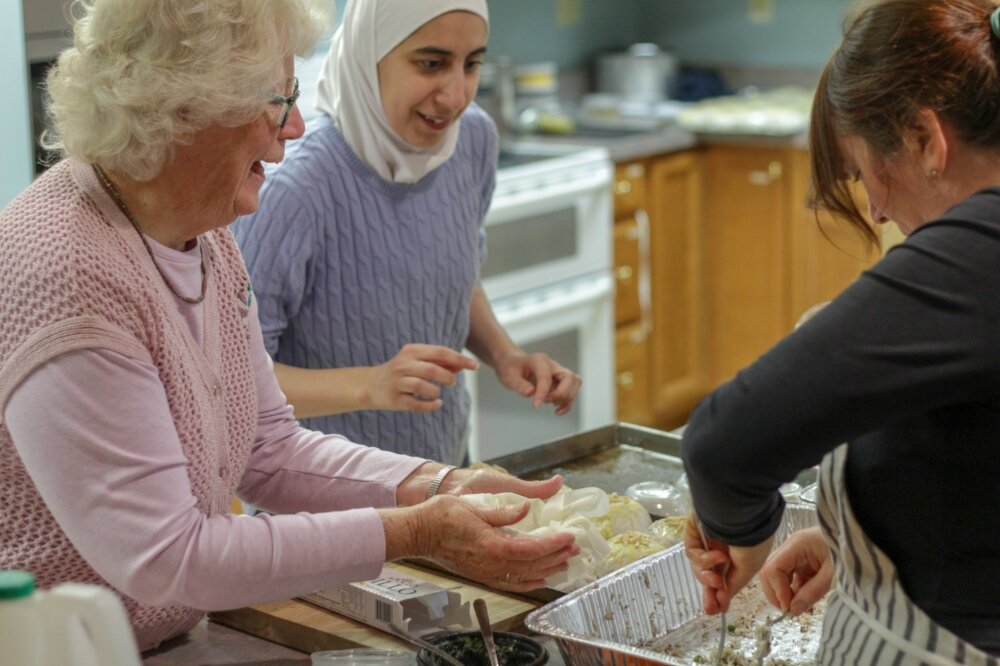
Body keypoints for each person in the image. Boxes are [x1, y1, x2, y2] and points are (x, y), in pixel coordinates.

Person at [0, 0, 578, 652]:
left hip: (165, 638)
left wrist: (442, 484)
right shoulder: (68, 273)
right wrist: (416, 532)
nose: (296, 127)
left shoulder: (205, 234)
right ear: (184, 109)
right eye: (277, 103)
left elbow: (269, 446)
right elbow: (170, 556)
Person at [680, 0, 1000, 662]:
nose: (878, 212)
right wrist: (852, 545)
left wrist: (745, 530)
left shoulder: (981, 252)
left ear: (923, 138)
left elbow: (725, 445)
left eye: (863, 175)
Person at [232, 0, 582, 467]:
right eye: (431, 63)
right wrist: (372, 384)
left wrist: (505, 355)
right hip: (326, 509)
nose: (456, 95)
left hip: (443, 475)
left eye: (472, 64)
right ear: (368, 53)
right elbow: (237, 384)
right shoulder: (294, 189)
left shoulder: (471, 140)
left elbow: (452, 272)